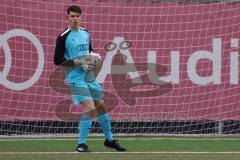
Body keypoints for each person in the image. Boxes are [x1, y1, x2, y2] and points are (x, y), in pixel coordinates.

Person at [54, 5, 126, 152]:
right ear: (67, 17)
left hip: (88, 76)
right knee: (90, 107)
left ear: (81, 17)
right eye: (72, 16)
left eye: (77, 16)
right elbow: (57, 60)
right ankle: (81, 144)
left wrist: (95, 57)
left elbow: (90, 51)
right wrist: (78, 61)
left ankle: (109, 140)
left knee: (101, 105)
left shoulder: (86, 33)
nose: (75, 19)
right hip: (75, 77)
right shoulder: (63, 37)